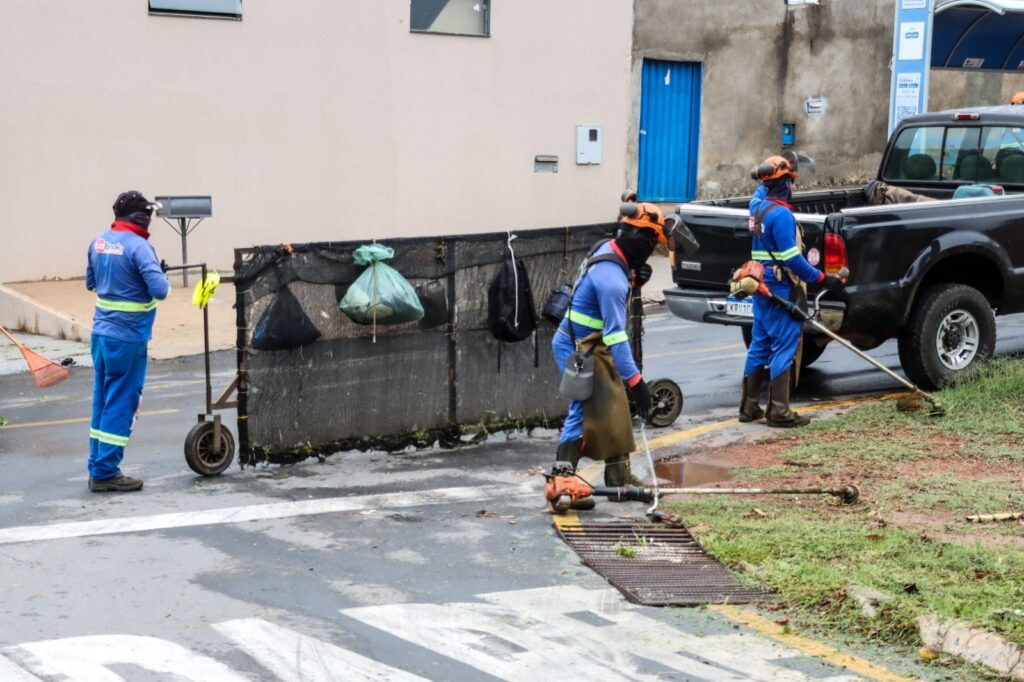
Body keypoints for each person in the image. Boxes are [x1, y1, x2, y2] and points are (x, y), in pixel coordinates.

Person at [549, 202, 666, 509]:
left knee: (615, 406)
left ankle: (618, 477)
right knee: (582, 410)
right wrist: (637, 383)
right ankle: (564, 483)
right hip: (578, 348)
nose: (653, 249)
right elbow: (616, 336)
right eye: (652, 242)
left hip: (591, 345)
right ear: (641, 238)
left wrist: (634, 276)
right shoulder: (612, 281)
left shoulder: (609, 250)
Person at [739, 157, 842, 428]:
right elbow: (792, 259)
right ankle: (779, 411)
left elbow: (759, 192)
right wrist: (822, 277)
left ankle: (749, 407)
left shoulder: (757, 209)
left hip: (759, 285)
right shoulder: (781, 216)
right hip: (780, 287)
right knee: (785, 344)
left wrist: (762, 176)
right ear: (786, 184)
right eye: (791, 181)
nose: (793, 188)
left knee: (760, 343)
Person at [85, 191, 169, 492]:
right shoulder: (140, 247)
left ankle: (97, 467)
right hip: (128, 339)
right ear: (139, 216)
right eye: (148, 213)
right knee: (122, 403)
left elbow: (91, 283)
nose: (151, 219)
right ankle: (106, 472)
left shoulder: (98, 242)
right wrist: (157, 275)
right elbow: (160, 290)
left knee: (103, 400)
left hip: (101, 336)